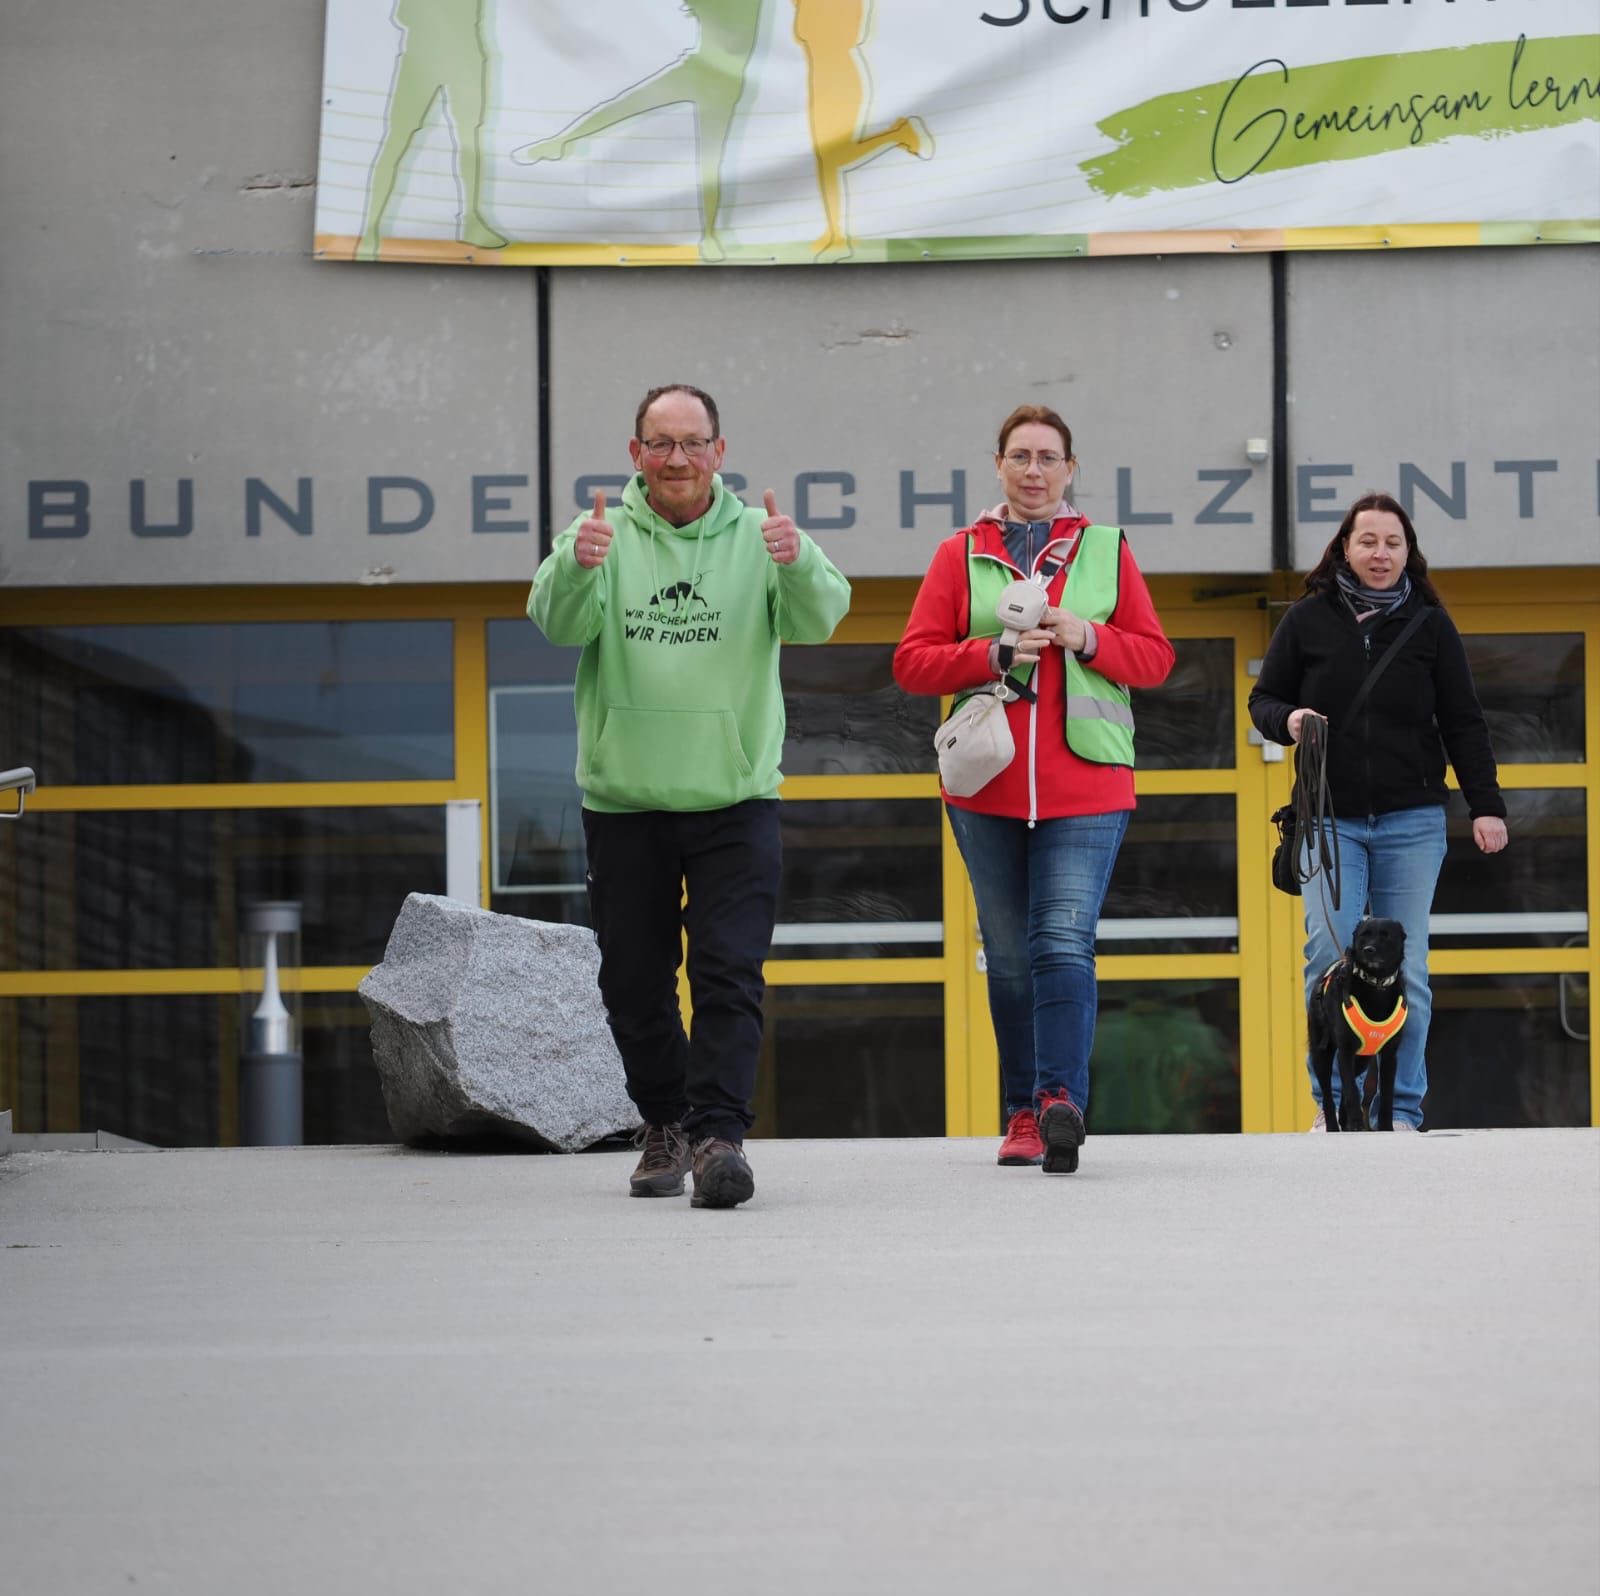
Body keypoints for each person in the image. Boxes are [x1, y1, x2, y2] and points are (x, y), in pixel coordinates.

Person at [528, 384, 850, 1207]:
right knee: (633, 983)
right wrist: (576, 567)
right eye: (661, 443)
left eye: (693, 442)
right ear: (635, 452)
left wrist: (798, 560)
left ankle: (718, 1139)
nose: (678, 458)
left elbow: (820, 620)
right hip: (625, 803)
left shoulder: (760, 537)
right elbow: (557, 624)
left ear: (719, 451)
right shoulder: (597, 535)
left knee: (727, 975)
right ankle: (665, 1123)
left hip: (734, 800)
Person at [893, 405, 1174, 1174]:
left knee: (1061, 942)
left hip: (1086, 783)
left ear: (1070, 469)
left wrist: (1088, 636)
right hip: (985, 787)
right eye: (1020, 456)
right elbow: (911, 662)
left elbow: (1155, 659)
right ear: (998, 465)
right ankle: (1022, 1110)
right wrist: (990, 653)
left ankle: (1059, 1104)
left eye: (1049, 457)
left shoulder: (1107, 549)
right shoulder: (959, 554)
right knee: (1012, 957)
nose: (1034, 470)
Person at [1248, 490, 1508, 1131]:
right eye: (1368, 541)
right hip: (1329, 820)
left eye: (1393, 543)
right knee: (1328, 960)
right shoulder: (1306, 620)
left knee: (1408, 968)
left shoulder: (1430, 624)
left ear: (1408, 552)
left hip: (1411, 821)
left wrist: (1485, 805)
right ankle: (1333, 1108)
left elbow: (1464, 721)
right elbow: (1263, 700)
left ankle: (1401, 1110)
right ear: (1345, 547)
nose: (1381, 553)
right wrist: (1289, 720)